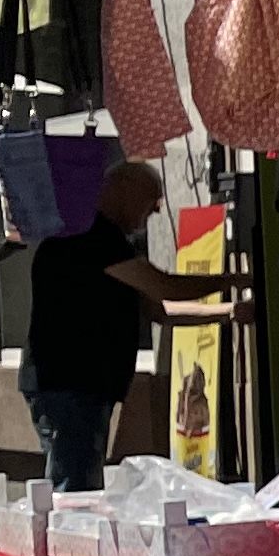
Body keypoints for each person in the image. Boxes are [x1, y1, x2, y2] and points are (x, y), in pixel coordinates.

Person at [20, 158, 245, 492]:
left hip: (80, 387)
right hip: (70, 385)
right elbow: (163, 286)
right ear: (122, 191)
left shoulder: (104, 242)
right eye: (152, 200)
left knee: (80, 480)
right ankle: (66, 542)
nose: (154, 213)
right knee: (75, 488)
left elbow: (159, 310)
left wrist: (230, 312)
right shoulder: (92, 237)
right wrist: (235, 278)